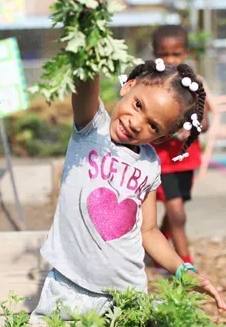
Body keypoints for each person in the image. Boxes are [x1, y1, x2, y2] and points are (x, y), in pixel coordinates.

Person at [31, 58, 226, 320]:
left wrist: (183, 270)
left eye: (153, 126)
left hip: (127, 292)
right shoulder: (92, 129)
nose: (136, 123)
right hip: (69, 287)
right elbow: (86, 82)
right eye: (138, 105)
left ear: (161, 138)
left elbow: (149, 231)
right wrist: (90, 42)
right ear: (128, 86)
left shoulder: (149, 164)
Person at [151, 25, 209, 267]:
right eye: (164, 54)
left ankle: (158, 250)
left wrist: (190, 128)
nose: (170, 59)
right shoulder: (153, 83)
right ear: (155, 53)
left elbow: (203, 122)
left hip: (186, 158)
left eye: (176, 54)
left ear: (185, 53)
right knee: (177, 213)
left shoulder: (195, 84)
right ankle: (185, 266)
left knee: (176, 209)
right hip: (163, 160)